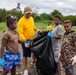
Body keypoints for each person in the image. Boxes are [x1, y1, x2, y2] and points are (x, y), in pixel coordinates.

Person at [17, 6, 41, 75]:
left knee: (34, 51)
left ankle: (33, 62)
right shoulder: (21, 21)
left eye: (30, 13)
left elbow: (32, 26)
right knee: (25, 54)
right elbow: (20, 32)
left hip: (32, 39)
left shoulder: (31, 18)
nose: (29, 15)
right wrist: (25, 40)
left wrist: (36, 29)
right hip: (25, 40)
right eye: (27, 13)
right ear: (24, 12)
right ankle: (25, 69)